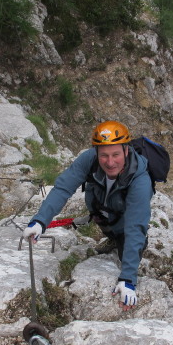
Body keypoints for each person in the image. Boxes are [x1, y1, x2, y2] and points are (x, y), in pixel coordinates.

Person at [23, 120, 153, 311]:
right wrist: (40, 221)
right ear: (96, 152)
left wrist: (128, 279)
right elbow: (63, 188)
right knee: (109, 226)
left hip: (125, 220)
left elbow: (135, 225)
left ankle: (132, 244)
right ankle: (113, 238)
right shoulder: (89, 160)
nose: (110, 162)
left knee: (128, 244)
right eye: (104, 155)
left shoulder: (140, 180)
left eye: (116, 154)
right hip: (102, 211)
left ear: (126, 150)